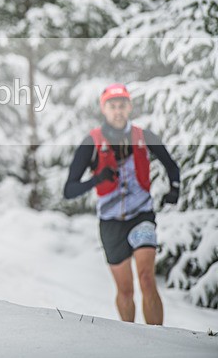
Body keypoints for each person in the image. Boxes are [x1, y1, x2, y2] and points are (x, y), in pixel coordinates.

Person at [64, 83, 180, 325]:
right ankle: (130, 338)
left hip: (141, 216)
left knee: (147, 278)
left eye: (122, 105)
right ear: (103, 109)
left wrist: (174, 190)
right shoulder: (92, 142)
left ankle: (158, 340)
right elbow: (69, 189)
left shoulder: (144, 136)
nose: (118, 111)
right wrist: (97, 178)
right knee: (125, 290)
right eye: (112, 106)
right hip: (110, 222)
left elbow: (171, 165)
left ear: (129, 107)